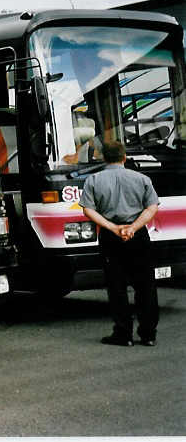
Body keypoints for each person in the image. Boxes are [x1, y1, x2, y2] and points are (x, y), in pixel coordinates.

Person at [80, 140, 159, 347]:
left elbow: (88, 209)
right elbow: (151, 207)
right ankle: (148, 334)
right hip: (138, 236)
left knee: (117, 286)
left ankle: (123, 334)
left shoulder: (93, 180)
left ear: (103, 158)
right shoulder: (142, 179)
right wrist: (133, 227)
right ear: (124, 157)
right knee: (145, 285)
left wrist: (113, 227)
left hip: (110, 236)